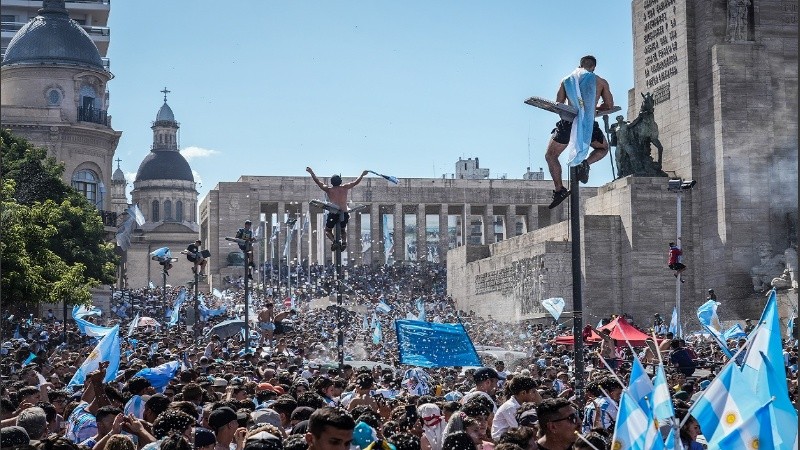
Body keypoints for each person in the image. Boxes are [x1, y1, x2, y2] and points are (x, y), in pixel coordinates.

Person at [544, 55, 614, 209]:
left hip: (568, 122)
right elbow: (609, 105)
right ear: (593, 67)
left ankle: (559, 189)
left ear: (579, 65)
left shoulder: (567, 80)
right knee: (603, 148)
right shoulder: (600, 82)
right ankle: (585, 163)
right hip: (587, 124)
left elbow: (559, 104)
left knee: (551, 156)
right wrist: (592, 108)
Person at [306, 167, 368, 251]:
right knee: (343, 229)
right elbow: (355, 182)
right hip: (344, 212)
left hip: (334, 212)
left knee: (328, 230)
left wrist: (311, 172)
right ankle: (344, 242)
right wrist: (362, 175)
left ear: (332, 182)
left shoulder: (329, 189)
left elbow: (318, 182)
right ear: (340, 181)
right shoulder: (345, 187)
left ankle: (334, 241)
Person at [491, 376, 541, 441]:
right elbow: (520, 430)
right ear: (523, 393)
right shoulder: (510, 407)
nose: (535, 394)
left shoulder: (519, 405)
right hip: (503, 442)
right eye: (533, 392)